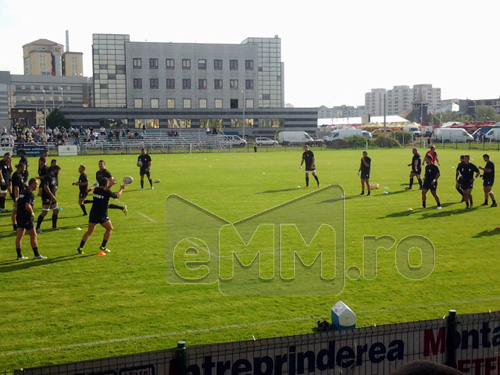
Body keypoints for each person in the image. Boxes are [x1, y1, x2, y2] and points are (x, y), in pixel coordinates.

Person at [77, 177, 126, 255]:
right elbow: (117, 196)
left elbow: (105, 190)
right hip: (102, 215)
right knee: (110, 229)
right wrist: (121, 189)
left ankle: (80, 247)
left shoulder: (96, 189)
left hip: (93, 213)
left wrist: (111, 184)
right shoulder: (107, 192)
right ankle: (103, 246)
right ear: (106, 184)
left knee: (89, 232)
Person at [15, 178, 47, 260]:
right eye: (36, 184)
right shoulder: (30, 194)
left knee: (19, 236)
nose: (37, 186)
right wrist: (32, 213)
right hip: (26, 217)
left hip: (19, 216)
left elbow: (17, 203)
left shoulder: (23, 192)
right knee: (33, 235)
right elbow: (27, 205)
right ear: (32, 184)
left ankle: (19, 256)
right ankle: (36, 255)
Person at [36, 165, 61, 232]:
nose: (59, 173)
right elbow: (46, 187)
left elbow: (54, 188)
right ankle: (37, 228)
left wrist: (54, 196)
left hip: (52, 197)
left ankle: (54, 227)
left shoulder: (54, 177)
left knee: (56, 210)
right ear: (55, 170)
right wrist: (51, 196)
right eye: (58, 171)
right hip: (46, 197)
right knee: (45, 212)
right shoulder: (47, 177)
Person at [11, 162, 26, 231]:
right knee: (15, 211)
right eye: (24, 168)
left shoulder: (20, 175)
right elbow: (16, 188)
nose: (24, 170)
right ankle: (15, 225)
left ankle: (17, 225)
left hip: (21, 196)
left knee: (18, 211)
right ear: (20, 168)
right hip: (18, 196)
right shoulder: (16, 175)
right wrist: (16, 199)